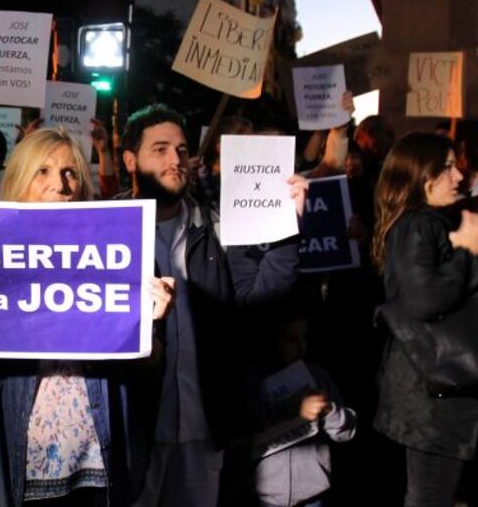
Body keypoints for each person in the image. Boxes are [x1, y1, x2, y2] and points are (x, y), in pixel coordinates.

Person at [0, 127, 175, 505]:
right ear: (19, 180)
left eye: (70, 172)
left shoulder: (122, 249)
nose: (58, 185)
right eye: (41, 171)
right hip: (14, 476)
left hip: (101, 473)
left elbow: (150, 370)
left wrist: (150, 328)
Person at [116, 104, 305, 507]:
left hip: (204, 430)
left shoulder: (217, 228)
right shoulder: (105, 229)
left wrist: (287, 229)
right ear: (130, 159)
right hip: (131, 433)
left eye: (182, 150)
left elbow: (260, 300)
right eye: (161, 149)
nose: (175, 160)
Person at [371, 132, 478, 507]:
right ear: (421, 176)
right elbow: (424, 299)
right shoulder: (417, 224)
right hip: (432, 399)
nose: (458, 176)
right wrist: (467, 252)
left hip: (441, 393)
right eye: (446, 167)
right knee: (430, 497)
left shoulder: (431, 221)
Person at [249, 314, 357, 507]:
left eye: (304, 338)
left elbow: (346, 431)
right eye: (291, 340)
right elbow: (246, 426)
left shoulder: (318, 377)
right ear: (275, 339)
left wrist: (330, 411)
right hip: (267, 495)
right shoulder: (256, 380)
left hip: (312, 493)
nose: (300, 347)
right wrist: (293, 408)